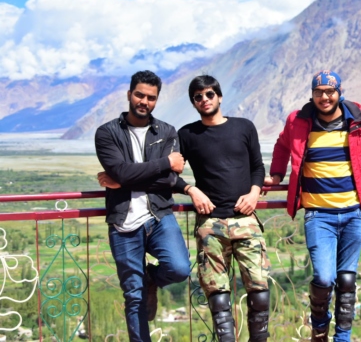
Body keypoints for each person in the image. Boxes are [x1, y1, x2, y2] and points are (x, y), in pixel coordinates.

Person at [264, 70, 361, 342]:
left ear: (339, 92)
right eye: (319, 92)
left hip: (354, 213)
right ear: (312, 95)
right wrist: (276, 175)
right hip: (318, 215)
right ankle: (320, 328)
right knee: (324, 278)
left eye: (330, 92)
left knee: (347, 279)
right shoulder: (298, 122)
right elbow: (282, 146)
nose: (324, 97)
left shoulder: (358, 120)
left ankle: (342, 337)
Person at [94, 70, 191, 342]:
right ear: (129, 94)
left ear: (156, 100)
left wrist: (124, 179)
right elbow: (123, 171)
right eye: (139, 95)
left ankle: (151, 278)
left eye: (151, 97)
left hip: (159, 216)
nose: (144, 101)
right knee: (134, 296)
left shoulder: (167, 131)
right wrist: (165, 163)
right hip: (123, 223)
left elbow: (170, 180)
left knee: (179, 268)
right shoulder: (107, 133)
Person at [175, 75, 271, 342]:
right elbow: (170, 172)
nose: (204, 100)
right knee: (217, 294)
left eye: (209, 94)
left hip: (245, 218)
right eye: (198, 97)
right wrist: (191, 190)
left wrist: (254, 192)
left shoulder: (244, 127)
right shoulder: (187, 135)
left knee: (260, 290)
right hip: (210, 223)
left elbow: (257, 166)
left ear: (219, 96)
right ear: (193, 102)